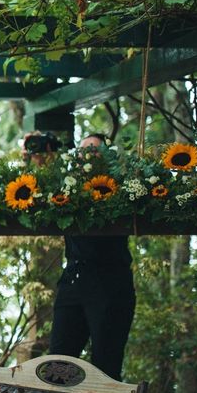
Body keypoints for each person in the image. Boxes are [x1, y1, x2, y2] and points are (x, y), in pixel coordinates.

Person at [47, 133, 136, 380]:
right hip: (73, 280)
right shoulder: (65, 188)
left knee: (106, 367)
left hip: (110, 283)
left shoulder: (120, 187)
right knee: (57, 364)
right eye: (82, 151)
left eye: (93, 151)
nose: (86, 156)